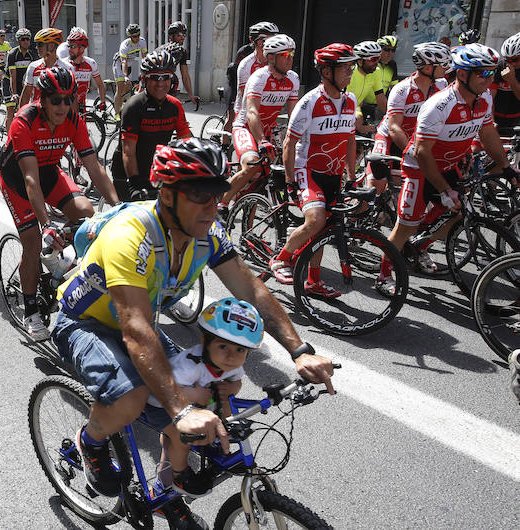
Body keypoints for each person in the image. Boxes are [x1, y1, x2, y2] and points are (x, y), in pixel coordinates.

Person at [51, 137, 335, 527]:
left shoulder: (207, 235)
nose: (211, 206)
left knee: (193, 408)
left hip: (139, 322)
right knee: (138, 396)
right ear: (167, 195)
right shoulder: (129, 236)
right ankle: (92, 442)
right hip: (84, 322)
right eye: (199, 195)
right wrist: (180, 409)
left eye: (216, 194)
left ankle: (166, 494)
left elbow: (250, 288)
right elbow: (134, 329)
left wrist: (299, 349)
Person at [376, 44, 518, 295]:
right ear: (462, 75)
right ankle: (384, 273)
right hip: (419, 166)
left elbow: (488, 134)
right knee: (405, 226)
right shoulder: (439, 105)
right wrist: (443, 189)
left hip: (449, 165)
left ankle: (420, 245)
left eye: (492, 73)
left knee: (459, 213)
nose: (490, 79)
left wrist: (507, 168)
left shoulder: (483, 99)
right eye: (483, 74)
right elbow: (422, 152)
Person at [0, 66, 118, 339]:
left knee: (87, 214)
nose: (63, 105)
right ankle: (30, 310)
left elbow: (94, 167)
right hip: (17, 179)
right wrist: (46, 224)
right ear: (42, 97)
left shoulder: (74, 120)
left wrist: (118, 205)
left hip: (49, 172)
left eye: (69, 98)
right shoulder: (24, 121)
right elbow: (30, 180)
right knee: (32, 241)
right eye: (56, 99)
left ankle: (59, 265)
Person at [147, 298, 262, 500]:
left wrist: (230, 388)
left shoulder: (233, 366)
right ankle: (179, 475)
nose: (231, 357)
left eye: (240, 350)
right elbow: (163, 390)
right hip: (161, 402)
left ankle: (217, 435)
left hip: (196, 404)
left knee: (225, 399)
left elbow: (237, 382)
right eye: (223, 346)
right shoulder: (190, 366)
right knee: (179, 437)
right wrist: (193, 394)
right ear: (205, 342)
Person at [268, 43, 358, 298]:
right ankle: (281, 258)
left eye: (351, 67)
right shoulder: (310, 101)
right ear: (327, 72)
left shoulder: (350, 100)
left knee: (324, 228)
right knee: (316, 220)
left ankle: (313, 281)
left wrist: (351, 178)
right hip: (307, 171)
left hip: (334, 174)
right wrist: (289, 181)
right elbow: (289, 142)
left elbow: (350, 141)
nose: (350, 72)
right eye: (345, 68)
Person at [218, 34, 299, 215]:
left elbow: (294, 114)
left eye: (292, 54)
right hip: (245, 127)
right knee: (253, 165)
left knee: (260, 180)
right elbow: (252, 112)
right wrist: (262, 140)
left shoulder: (293, 79)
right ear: (271, 57)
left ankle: (247, 228)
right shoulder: (259, 78)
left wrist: (298, 138)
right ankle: (220, 204)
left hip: (267, 130)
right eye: (285, 55)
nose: (291, 59)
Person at [366, 42, 449, 205]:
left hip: (415, 139)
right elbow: (394, 128)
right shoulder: (402, 89)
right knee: (378, 184)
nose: (446, 68)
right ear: (427, 68)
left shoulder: (442, 86)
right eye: (443, 64)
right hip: (389, 138)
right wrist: (413, 152)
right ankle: (355, 220)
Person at [110, 50, 191, 201]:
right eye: (154, 77)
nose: (160, 83)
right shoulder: (134, 106)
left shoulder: (175, 106)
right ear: (144, 79)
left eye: (165, 77)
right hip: (128, 173)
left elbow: (187, 141)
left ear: (171, 79)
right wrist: (134, 183)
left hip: (156, 171)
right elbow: (128, 151)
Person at [227, 22, 278, 137]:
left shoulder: (275, 62)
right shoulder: (246, 64)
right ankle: (225, 147)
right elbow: (247, 99)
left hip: (267, 114)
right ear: (257, 42)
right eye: (269, 39)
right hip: (246, 112)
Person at [19, 28, 70, 108]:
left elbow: (72, 96)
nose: (37, 47)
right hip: (37, 115)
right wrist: (20, 116)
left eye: (40, 44)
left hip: (58, 115)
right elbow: (26, 94)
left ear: (51, 46)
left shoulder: (67, 68)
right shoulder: (33, 67)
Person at [346, 40, 387, 134]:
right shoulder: (349, 73)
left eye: (378, 58)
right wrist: (357, 122)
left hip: (356, 108)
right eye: (373, 59)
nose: (376, 62)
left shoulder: (376, 71)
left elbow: (381, 98)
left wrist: (392, 116)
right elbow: (342, 101)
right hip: (342, 109)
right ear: (360, 61)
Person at [157, 22, 200, 107]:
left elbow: (185, 75)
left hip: (169, 84)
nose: (182, 37)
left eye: (184, 34)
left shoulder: (182, 52)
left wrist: (191, 95)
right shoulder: (161, 50)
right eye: (180, 34)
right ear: (171, 36)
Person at [65, 28, 106, 115]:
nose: (69, 49)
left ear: (82, 49)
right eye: (69, 46)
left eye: (73, 46)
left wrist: (102, 102)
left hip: (82, 108)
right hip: (66, 109)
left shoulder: (91, 63)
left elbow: (100, 85)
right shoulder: (64, 64)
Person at [112, 24, 148, 117]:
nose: (137, 38)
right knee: (120, 88)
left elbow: (144, 58)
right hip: (119, 64)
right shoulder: (125, 45)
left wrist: (147, 70)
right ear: (130, 36)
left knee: (127, 89)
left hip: (129, 65)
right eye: (134, 36)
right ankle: (116, 114)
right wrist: (125, 76)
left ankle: (123, 107)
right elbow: (124, 61)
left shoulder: (142, 41)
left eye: (138, 35)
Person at [5, 27, 36, 124]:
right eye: (23, 39)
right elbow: (12, 76)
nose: (26, 41)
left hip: (22, 83)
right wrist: (14, 93)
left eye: (28, 39)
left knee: (24, 110)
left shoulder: (32, 54)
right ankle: (10, 138)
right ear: (18, 41)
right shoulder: (13, 54)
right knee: (10, 110)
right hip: (9, 82)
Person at [491, 32, 520, 132]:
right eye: (507, 59)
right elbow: (489, 97)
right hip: (497, 117)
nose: (511, 63)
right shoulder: (500, 66)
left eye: (515, 59)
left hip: (517, 120)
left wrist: (512, 80)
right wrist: (491, 120)